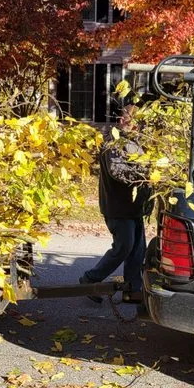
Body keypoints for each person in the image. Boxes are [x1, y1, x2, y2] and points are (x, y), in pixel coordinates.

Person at [80, 112, 151, 303]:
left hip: (134, 207)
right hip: (118, 207)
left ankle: (132, 289)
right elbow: (117, 171)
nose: (136, 126)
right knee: (123, 247)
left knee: (137, 250)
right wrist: (145, 173)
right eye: (131, 121)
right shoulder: (114, 143)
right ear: (122, 121)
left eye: (137, 122)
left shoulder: (136, 142)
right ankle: (90, 279)